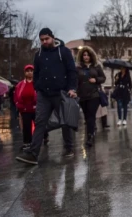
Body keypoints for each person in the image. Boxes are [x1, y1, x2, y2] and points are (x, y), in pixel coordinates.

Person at [16, 28, 78, 165]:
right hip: (44, 94)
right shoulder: (38, 54)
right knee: (40, 122)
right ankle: (33, 154)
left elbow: (72, 71)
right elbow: (36, 73)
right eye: (42, 40)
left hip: (61, 92)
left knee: (65, 121)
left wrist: (72, 88)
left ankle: (69, 148)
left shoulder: (64, 52)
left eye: (46, 39)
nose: (44, 42)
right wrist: (37, 87)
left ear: (52, 37)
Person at [76, 46, 106, 146]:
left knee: (91, 115)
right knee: (86, 116)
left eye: (88, 55)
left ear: (91, 56)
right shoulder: (78, 68)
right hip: (82, 96)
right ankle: (91, 132)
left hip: (94, 95)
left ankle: (90, 136)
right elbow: (75, 81)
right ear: (81, 56)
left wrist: (96, 80)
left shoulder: (96, 66)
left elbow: (103, 78)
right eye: (84, 55)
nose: (86, 57)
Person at [14, 65, 49, 150]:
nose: (29, 72)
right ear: (25, 73)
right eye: (28, 71)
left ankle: (45, 136)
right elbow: (16, 96)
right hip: (25, 109)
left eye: (31, 71)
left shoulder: (37, 83)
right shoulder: (20, 84)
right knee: (26, 126)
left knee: (39, 124)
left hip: (37, 108)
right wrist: (19, 106)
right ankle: (27, 142)